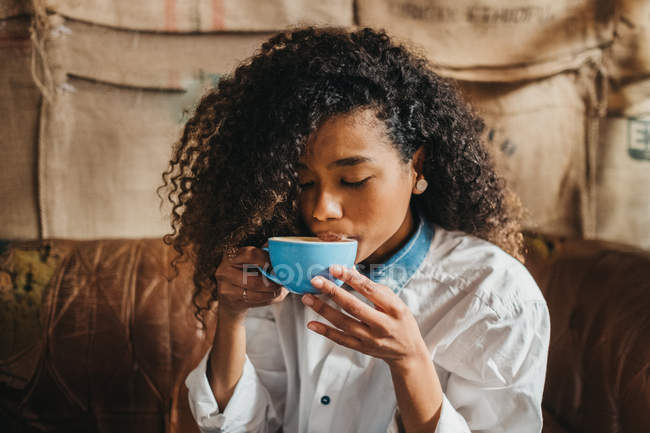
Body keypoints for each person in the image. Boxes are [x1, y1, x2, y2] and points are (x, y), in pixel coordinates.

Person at [159, 26, 550, 433]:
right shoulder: (282, 276)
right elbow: (240, 427)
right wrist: (234, 316)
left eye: (354, 180)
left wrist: (409, 361)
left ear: (416, 165)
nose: (321, 209)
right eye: (303, 183)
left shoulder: (494, 296)